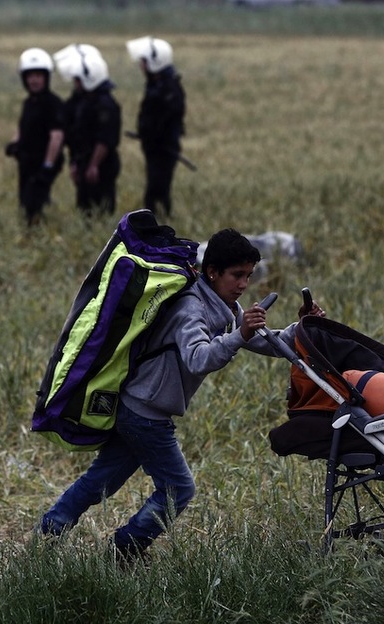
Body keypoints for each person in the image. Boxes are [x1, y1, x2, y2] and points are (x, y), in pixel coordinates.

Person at [40, 228, 325, 564]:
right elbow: (199, 358)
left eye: (248, 276)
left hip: (139, 408)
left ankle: (49, 531)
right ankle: (124, 549)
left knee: (101, 480)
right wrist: (240, 334)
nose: (244, 285)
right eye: (236, 275)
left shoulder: (225, 306)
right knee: (178, 489)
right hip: (145, 413)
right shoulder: (190, 307)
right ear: (212, 271)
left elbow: (262, 340)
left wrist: (302, 329)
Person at [53, 44, 121, 216]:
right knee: (85, 208)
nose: (75, 83)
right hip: (83, 160)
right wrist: (75, 163)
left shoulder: (106, 105)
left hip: (101, 165)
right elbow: (75, 134)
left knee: (103, 207)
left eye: (78, 79)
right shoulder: (81, 101)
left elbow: (105, 139)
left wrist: (93, 165)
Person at [5, 48, 65, 227]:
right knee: (25, 202)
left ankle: (39, 232)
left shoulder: (53, 103)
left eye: (38, 76)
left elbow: (57, 136)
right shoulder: (29, 103)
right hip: (26, 162)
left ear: (46, 77)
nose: (34, 80)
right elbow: (23, 128)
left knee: (34, 203)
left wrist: (47, 165)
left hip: (42, 162)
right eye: (30, 76)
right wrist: (14, 144)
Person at [126, 36, 186, 217]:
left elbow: (164, 120)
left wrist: (152, 135)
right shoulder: (157, 85)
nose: (141, 66)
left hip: (164, 148)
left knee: (157, 187)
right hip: (155, 147)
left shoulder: (168, 89)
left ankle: (160, 220)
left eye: (143, 62)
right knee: (154, 184)